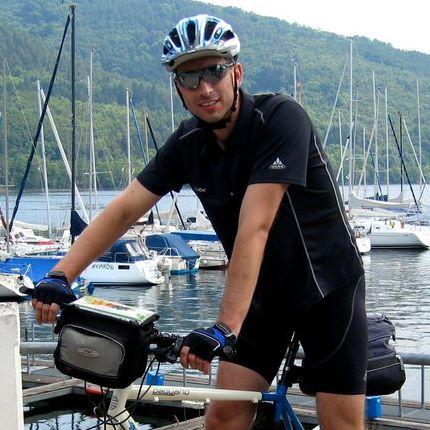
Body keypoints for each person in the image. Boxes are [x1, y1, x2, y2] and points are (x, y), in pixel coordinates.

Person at [33, 14, 367, 430]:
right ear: (178, 88)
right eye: (190, 78)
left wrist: (224, 327)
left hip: (328, 290)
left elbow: (255, 228)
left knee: (340, 423)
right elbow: (123, 211)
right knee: (223, 415)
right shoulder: (187, 143)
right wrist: (60, 275)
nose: (205, 88)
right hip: (263, 298)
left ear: (236, 73)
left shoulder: (281, 118)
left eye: (215, 72)